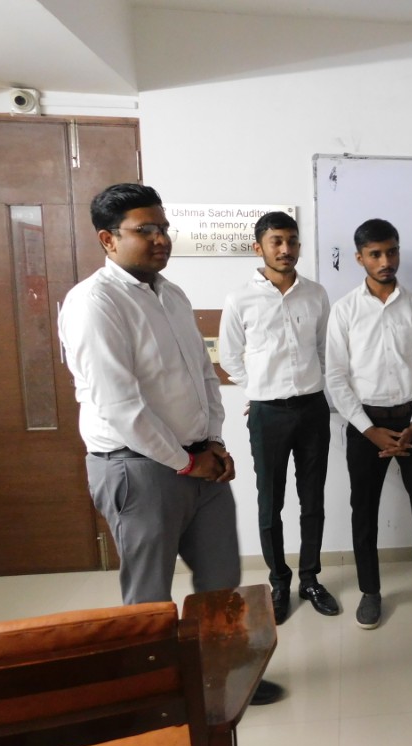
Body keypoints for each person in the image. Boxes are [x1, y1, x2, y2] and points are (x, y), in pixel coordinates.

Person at [58, 183, 283, 705]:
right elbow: (120, 405)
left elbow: (203, 375)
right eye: (146, 230)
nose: (161, 239)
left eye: (163, 228)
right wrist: (185, 461)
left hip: (199, 462)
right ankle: (154, 694)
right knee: (150, 596)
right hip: (137, 469)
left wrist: (214, 443)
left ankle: (224, 680)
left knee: (222, 582)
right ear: (108, 239)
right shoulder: (95, 303)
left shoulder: (171, 294)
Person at [325, 218, 412, 630]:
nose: (385, 261)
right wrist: (369, 430)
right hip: (365, 425)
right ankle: (370, 591)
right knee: (364, 510)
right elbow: (336, 377)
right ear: (359, 258)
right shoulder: (344, 310)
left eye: (392, 251)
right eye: (375, 254)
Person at [218, 211, 338, 624]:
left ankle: (310, 578)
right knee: (270, 501)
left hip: (312, 409)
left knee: (313, 499)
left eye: (292, 241)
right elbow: (230, 356)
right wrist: (258, 389)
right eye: (276, 242)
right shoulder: (240, 299)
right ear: (259, 247)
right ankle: (279, 582)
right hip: (267, 413)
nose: (286, 249)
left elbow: (324, 349)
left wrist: (321, 386)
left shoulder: (316, 294)